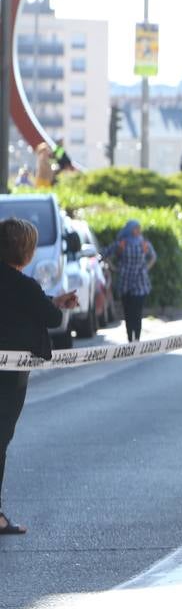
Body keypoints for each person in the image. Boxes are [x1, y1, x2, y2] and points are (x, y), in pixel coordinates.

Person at [0, 218, 78, 535]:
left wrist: (50, 300)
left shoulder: (24, 288)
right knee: (1, 438)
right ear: (27, 252)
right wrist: (58, 305)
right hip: (11, 377)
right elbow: (52, 318)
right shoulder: (25, 286)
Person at [107, 219, 157, 342]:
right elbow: (106, 254)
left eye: (139, 228)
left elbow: (153, 257)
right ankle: (130, 339)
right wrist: (114, 268)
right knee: (128, 313)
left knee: (137, 312)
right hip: (125, 283)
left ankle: (137, 339)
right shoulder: (122, 243)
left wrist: (146, 268)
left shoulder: (143, 243)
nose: (138, 231)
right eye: (136, 228)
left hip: (140, 283)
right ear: (130, 230)